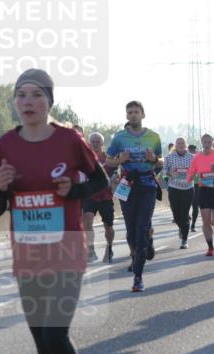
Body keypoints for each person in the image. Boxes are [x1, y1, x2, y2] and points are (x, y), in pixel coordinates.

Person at [0, 68, 108, 354]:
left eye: (36, 94)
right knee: (41, 341)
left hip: (67, 249)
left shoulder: (70, 140)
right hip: (27, 255)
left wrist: (74, 188)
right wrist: (2, 187)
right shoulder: (5, 145)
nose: (28, 102)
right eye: (21, 95)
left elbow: (101, 182)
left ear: (49, 101)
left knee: (56, 333)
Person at [106, 101, 162, 292]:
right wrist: (119, 160)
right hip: (127, 186)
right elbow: (108, 160)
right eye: (129, 112)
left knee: (142, 229)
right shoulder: (119, 138)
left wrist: (153, 159)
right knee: (131, 230)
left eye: (136, 112)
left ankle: (138, 276)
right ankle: (147, 241)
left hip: (147, 185)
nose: (132, 115)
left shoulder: (153, 137)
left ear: (143, 115)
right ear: (126, 115)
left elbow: (161, 162)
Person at [187, 134, 214, 257]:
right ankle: (210, 247)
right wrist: (190, 177)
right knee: (206, 221)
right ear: (202, 143)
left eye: (209, 141)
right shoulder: (197, 157)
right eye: (205, 142)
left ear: (212, 142)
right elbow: (191, 172)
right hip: (204, 191)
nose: (207, 143)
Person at [82, 133, 116, 263]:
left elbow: (115, 175)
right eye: (93, 142)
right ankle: (91, 250)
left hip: (106, 197)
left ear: (102, 144)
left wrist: (114, 180)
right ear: (89, 143)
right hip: (90, 196)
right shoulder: (85, 158)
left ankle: (109, 247)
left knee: (108, 226)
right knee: (87, 221)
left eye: (98, 142)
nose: (95, 144)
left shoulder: (109, 159)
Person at [163, 137, 195, 248]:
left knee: (184, 214)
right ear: (175, 145)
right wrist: (170, 174)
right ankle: (182, 227)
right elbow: (163, 172)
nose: (181, 145)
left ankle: (184, 240)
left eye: (182, 143)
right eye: (178, 143)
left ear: (186, 145)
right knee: (176, 216)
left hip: (188, 189)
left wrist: (193, 176)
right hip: (174, 188)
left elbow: (197, 171)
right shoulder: (169, 157)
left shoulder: (192, 157)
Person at [187, 143, 200, 233]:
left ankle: (193, 225)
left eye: (194, 151)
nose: (193, 153)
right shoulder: (186, 159)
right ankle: (186, 222)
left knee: (195, 206)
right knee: (186, 206)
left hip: (197, 185)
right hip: (187, 185)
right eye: (191, 151)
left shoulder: (199, 159)